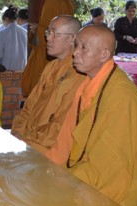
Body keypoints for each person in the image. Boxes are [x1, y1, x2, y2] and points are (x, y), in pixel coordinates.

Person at [45, 25, 137, 206]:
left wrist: (67, 181)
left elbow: (110, 164)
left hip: (109, 187)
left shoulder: (122, 97)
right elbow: (66, 138)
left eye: (84, 47)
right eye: (76, 45)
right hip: (80, 170)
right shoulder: (87, 84)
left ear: (104, 55)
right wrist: (51, 168)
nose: (75, 53)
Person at [11, 16, 85, 153]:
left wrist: (30, 142)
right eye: (48, 32)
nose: (48, 38)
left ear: (72, 38)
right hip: (29, 137)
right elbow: (30, 105)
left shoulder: (79, 73)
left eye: (54, 34)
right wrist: (18, 133)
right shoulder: (50, 67)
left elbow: (62, 123)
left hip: (48, 146)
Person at [21, 0, 75, 97]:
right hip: (43, 53)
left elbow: (68, 30)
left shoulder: (62, 2)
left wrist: (40, 29)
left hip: (55, 55)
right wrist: (38, 29)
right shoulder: (48, 1)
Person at [0, 6, 27, 71]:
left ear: (6, 18)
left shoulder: (2, 34)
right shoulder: (25, 32)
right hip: (23, 70)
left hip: (7, 71)